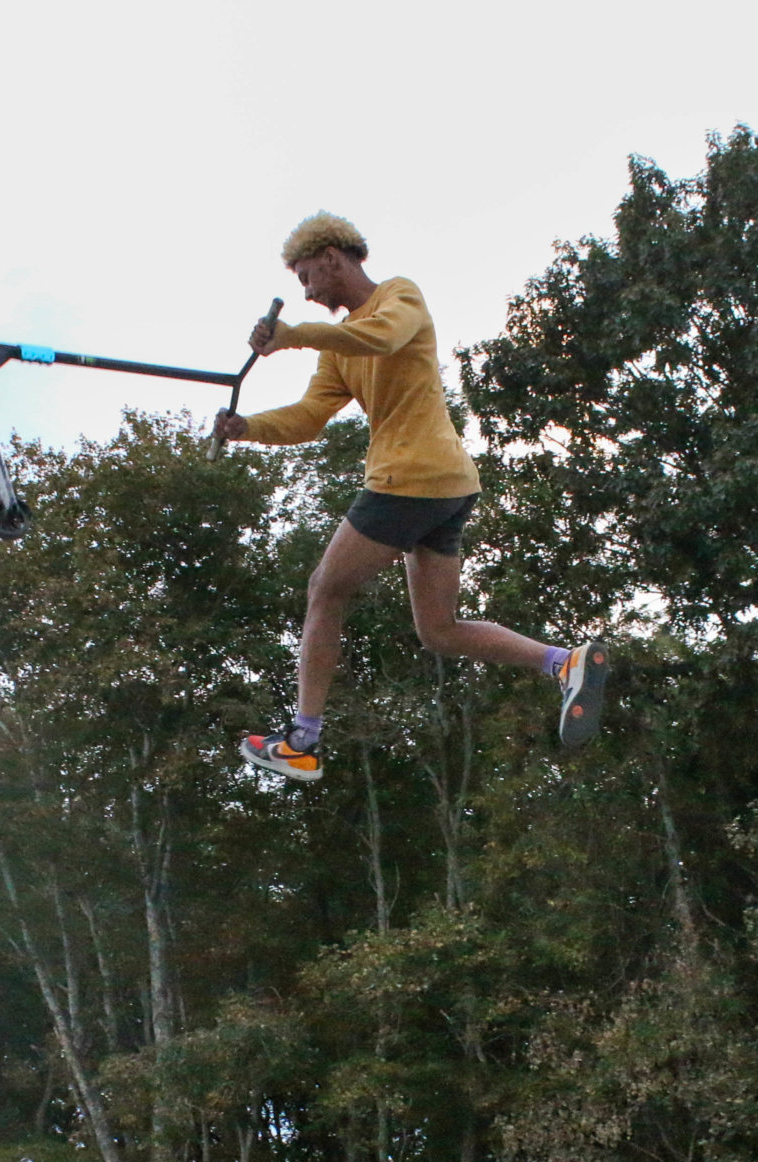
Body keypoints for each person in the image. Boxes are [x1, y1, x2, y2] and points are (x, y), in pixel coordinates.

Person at [217, 213, 609, 782]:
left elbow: (382, 337)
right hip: (447, 486)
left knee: (326, 588)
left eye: (308, 276)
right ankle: (563, 662)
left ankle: (303, 741)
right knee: (439, 630)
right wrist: (246, 427)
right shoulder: (338, 348)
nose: (307, 292)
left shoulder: (399, 296)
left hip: (408, 479)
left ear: (333, 256)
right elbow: (309, 417)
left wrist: (293, 335)